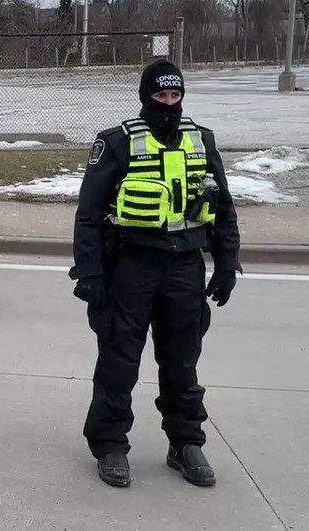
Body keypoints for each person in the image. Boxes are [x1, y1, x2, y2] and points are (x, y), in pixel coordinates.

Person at [71, 60, 240, 489]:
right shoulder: (117, 142)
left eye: (175, 95)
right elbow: (89, 215)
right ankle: (110, 444)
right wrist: (89, 272)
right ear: (146, 97)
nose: (169, 103)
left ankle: (185, 443)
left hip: (185, 268)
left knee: (183, 361)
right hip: (131, 266)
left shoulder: (201, 140)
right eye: (161, 96)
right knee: (119, 360)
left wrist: (225, 263)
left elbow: (222, 208)